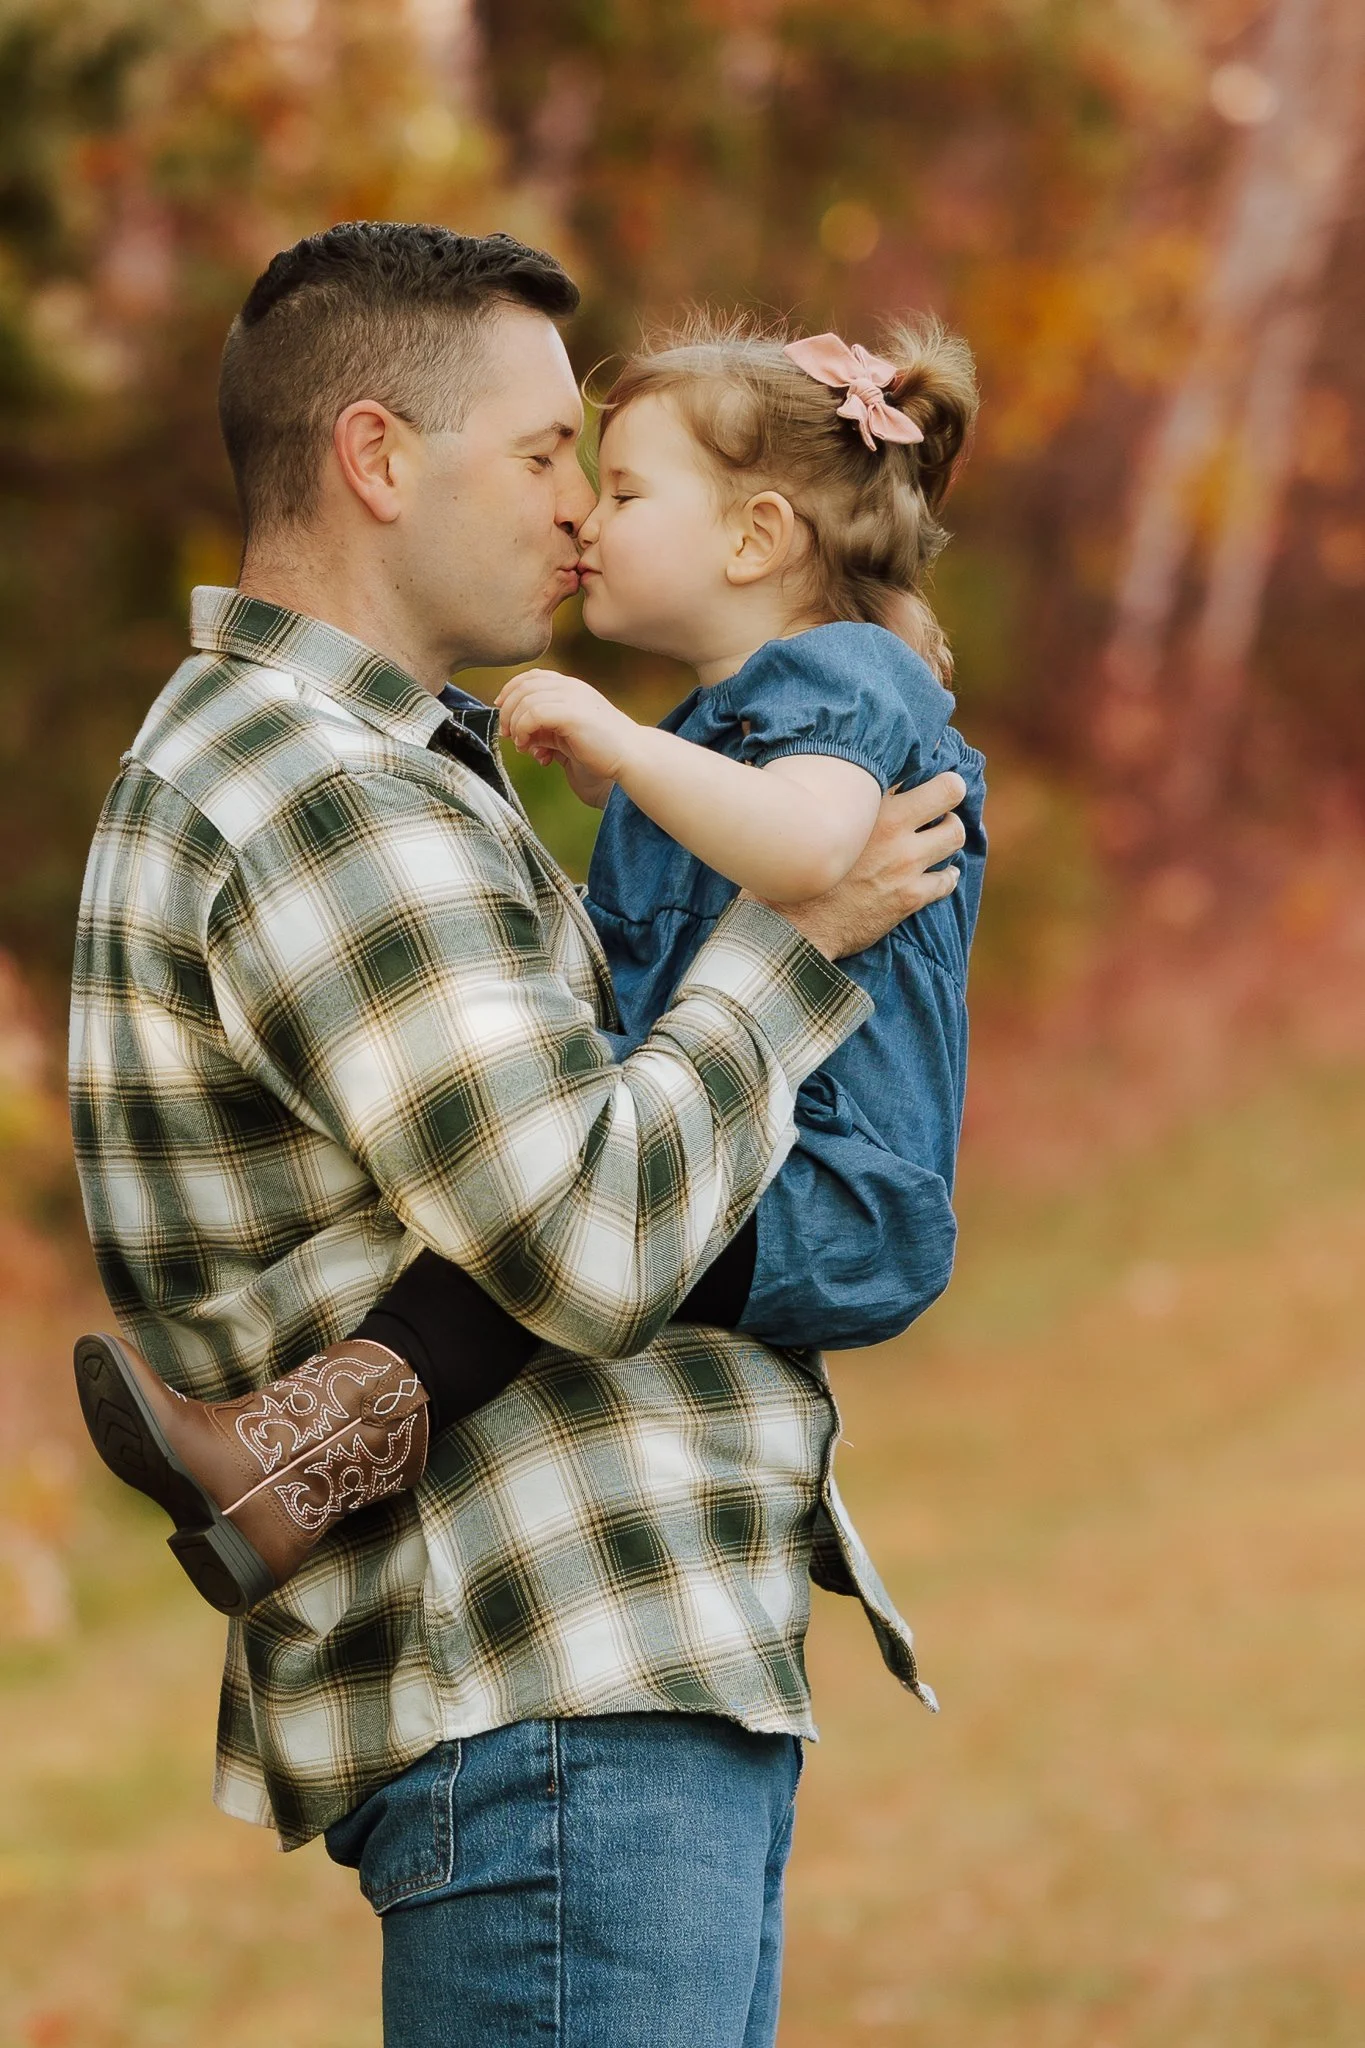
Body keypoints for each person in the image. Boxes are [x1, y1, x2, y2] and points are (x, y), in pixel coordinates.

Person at [68, 221, 970, 2048]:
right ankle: (295, 1448)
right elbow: (593, 1230)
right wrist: (796, 952)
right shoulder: (318, 789)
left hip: (606, 1684)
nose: (579, 506)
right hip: (555, 1691)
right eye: (549, 453)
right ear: (380, 458)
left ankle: (304, 1447)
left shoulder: (395, 766)